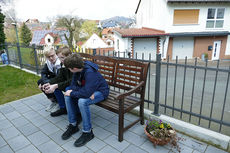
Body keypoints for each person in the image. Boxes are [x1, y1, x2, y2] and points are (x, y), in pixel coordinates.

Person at [62, 53, 109, 147]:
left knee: (82, 101)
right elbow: (73, 86)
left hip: (100, 92)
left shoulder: (90, 72)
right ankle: (73, 125)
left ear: (74, 68)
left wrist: (85, 91)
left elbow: (85, 93)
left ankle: (88, 132)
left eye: (69, 69)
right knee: (68, 95)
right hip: (89, 89)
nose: (69, 70)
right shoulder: (78, 70)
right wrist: (82, 91)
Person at [43, 46, 78, 117]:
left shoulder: (74, 64)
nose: (60, 60)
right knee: (56, 87)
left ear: (69, 56)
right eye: (59, 58)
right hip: (69, 82)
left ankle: (77, 112)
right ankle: (63, 108)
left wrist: (56, 85)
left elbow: (72, 81)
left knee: (67, 89)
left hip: (78, 84)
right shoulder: (63, 63)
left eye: (62, 57)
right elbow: (60, 77)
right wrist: (49, 83)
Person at [37, 48, 64, 112]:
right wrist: (46, 82)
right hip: (54, 78)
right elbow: (43, 73)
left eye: (52, 55)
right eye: (49, 57)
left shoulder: (60, 62)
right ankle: (54, 101)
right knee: (40, 82)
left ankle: (59, 103)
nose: (51, 58)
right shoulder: (48, 63)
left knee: (51, 85)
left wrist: (49, 83)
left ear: (56, 54)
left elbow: (60, 77)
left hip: (62, 79)